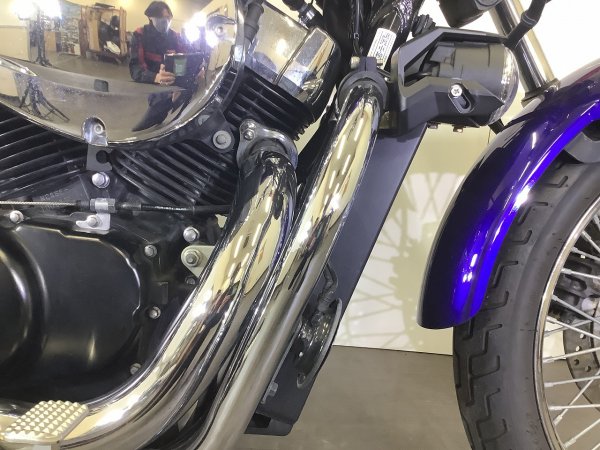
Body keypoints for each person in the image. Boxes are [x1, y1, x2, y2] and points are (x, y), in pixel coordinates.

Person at [129, 1, 185, 85]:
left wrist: (198, 69)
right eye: (160, 17)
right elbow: (135, 68)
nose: (165, 21)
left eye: (168, 17)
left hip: (172, 84)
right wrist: (155, 77)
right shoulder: (140, 35)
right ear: (150, 17)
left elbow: (185, 61)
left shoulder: (175, 37)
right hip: (148, 85)